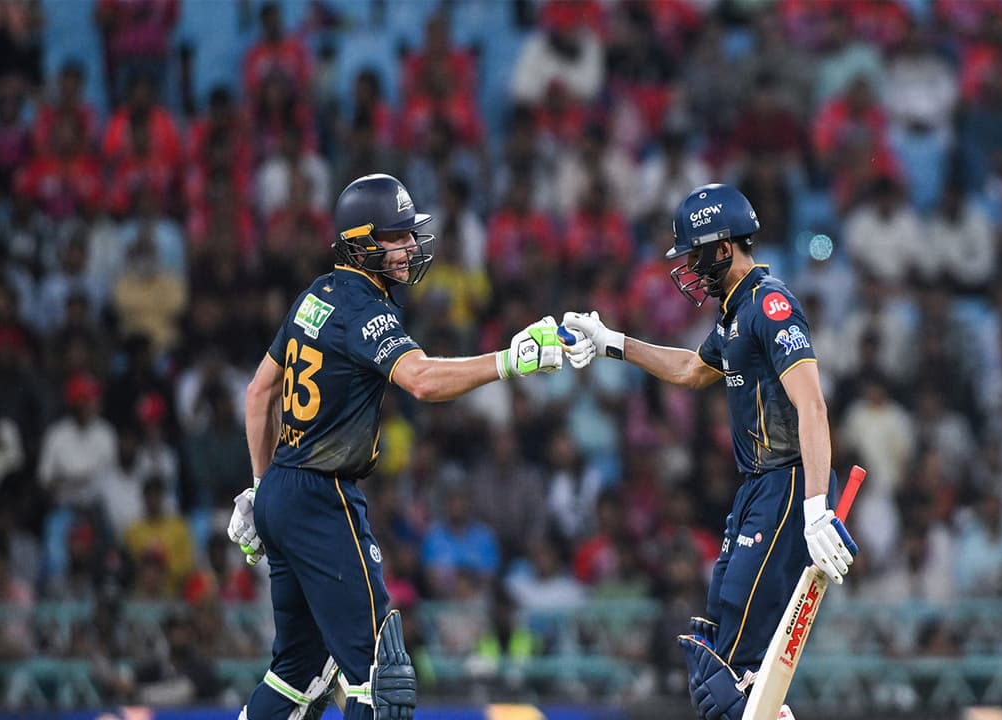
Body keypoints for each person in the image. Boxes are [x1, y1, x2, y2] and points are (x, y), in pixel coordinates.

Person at [226, 174, 566, 720]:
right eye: (396, 236)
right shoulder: (367, 306)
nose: (410, 247)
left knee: (296, 670)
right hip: (322, 497)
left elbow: (258, 391)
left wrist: (261, 487)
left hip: (285, 488)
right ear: (361, 243)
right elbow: (423, 380)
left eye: (410, 234)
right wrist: (511, 359)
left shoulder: (315, 293)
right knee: (383, 679)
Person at [562, 184, 858, 720]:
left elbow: (812, 406)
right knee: (718, 649)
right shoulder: (733, 313)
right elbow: (692, 369)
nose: (689, 270)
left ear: (724, 248)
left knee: (733, 675)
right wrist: (612, 342)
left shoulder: (770, 305)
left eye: (695, 255)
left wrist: (816, 508)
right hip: (758, 488)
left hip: (789, 485)